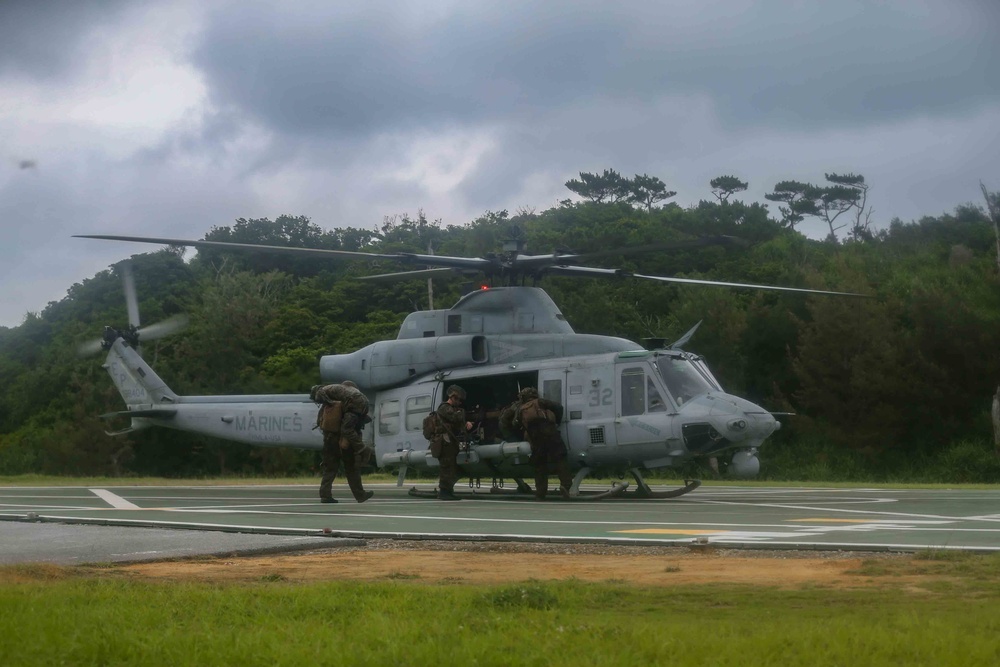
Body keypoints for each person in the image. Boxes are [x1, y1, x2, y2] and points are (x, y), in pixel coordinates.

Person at [310, 381, 374, 504]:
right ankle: (360, 495)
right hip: (346, 441)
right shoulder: (350, 400)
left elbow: (322, 423)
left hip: (331, 439)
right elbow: (356, 425)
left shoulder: (329, 403)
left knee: (330, 468)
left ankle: (325, 494)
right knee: (351, 467)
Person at [515, 387, 573, 500]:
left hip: (535, 438)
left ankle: (540, 493)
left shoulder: (521, 409)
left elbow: (516, 424)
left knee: (540, 466)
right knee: (560, 458)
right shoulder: (541, 402)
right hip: (550, 433)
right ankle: (565, 485)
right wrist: (557, 422)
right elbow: (559, 407)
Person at [430, 384, 473, 500]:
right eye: (458, 400)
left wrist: (466, 423)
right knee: (447, 467)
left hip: (449, 442)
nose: (459, 403)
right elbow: (455, 418)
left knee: (450, 467)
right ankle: (444, 492)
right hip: (444, 443)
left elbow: (457, 424)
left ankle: (448, 490)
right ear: (453, 398)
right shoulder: (444, 408)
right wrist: (462, 415)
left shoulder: (451, 409)